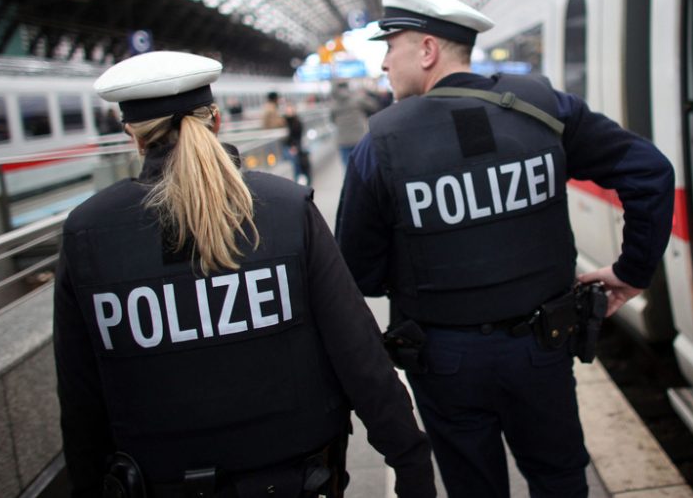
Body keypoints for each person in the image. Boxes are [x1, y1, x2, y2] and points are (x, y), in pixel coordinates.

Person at [335, 0, 675, 498]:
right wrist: (633, 271)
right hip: (543, 347)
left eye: (390, 47)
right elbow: (650, 171)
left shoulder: (381, 141)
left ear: (427, 50)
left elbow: (359, 270)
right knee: (560, 479)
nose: (383, 64)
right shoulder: (544, 108)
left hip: (444, 360)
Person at [54, 50, 435, 498]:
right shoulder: (287, 209)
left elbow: (80, 397)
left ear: (134, 138)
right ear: (216, 121)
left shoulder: (86, 233)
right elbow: (358, 353)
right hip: (298, 479)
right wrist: (410, 462)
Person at [330, 80, 378, 168]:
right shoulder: (357, 99)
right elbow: (374, 105)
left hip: (343, 140)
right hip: (359, 138)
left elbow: (332, 120)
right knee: (364, 166)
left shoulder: (333, 105)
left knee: (348, 168)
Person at [284, 102, 312, 185]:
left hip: (295, 147)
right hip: (289, 147)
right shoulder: (284, 121)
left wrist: (294, 146)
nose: (289, 111)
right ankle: (298, 181)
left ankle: (298, 181)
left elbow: (297, 136)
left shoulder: (297, 122)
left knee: (296, 162)